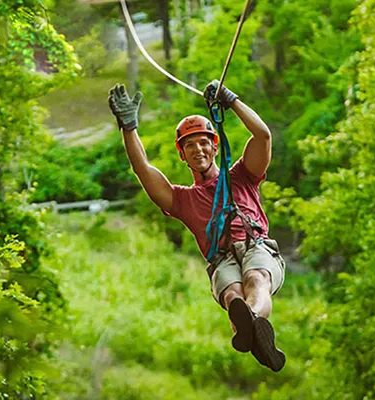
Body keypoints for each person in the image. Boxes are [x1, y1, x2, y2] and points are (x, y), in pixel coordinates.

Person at [107, 81, 286, 372]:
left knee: (256, 278)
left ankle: (251, 322)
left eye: (203, 142)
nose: (197, 149)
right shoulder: (182, 200)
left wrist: (231, 100)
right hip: (222, 259)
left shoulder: (242, 175)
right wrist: (129, 127)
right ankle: (253, 329)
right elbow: (143, 170)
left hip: (257, 246)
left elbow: (262, 136)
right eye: (190, 144)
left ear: (215, 146)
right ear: (182, 154)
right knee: (232, 295)